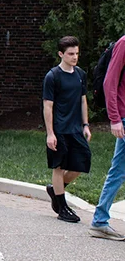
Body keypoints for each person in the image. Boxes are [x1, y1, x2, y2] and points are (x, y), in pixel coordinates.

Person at [43, 36, 91, 223]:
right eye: (71, 54)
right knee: (59, 166)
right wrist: (50, 133)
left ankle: (55, 189)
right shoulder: (52, 76)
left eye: (77, 53)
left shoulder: (80, 74)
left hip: (76, 129)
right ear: (61, 54)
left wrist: (85, 124)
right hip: (59, 129)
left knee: (82, 163)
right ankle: (62, 207)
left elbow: (82, 100)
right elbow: (48, 105)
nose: (74, 57)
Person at [89, 35, 125, 240]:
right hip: (124, 116)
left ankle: (99, 221)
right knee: (118, 170)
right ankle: (99, 221)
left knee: (118, 170)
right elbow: (109, 82)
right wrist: (115, 119)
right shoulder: (124, 43)